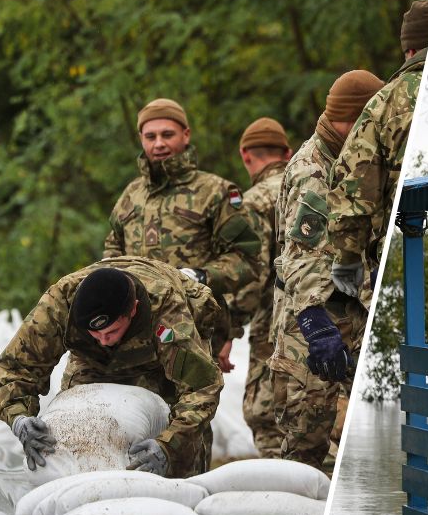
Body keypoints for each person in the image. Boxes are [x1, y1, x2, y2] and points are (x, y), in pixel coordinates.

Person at [292, 0, 428, 389]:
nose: (355, 129)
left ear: (408, 48)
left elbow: (354, 202)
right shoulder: (311, 170)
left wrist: (349, 259)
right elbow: (299, 256)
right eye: (347, 121)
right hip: (339, 313)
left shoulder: (388, 103)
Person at [0, 256, 227, 478]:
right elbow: (14, 369)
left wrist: (169, 446)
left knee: (179, 455)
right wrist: (19, 418)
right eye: (96, 333)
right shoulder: (59, 305)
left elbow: (202, 387)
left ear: (132, 309)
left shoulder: (166, 308)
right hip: (91, 360)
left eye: (111, 331)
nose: (104, 339)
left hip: (158, 360)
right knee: (81, 427)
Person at [271, 70, 384, 468]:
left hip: (352, 304)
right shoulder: (314, 171)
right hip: (311, 316)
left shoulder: (360, 158)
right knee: (306, 431)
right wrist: (316, 323)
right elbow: (302, 254)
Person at [103, 98, 263, 363]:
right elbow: (111, 255)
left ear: (185, 135)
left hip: (195, 332)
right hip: (133, 338)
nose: (159, 144)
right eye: (150, 136)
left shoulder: (216, 191)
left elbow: (246, 260)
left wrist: (199, 276)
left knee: (189, 405)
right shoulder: (131, 195)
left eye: (167, 134)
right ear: (141, 138)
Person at [231, 117, 293, 457]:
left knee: (269, 419)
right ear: (288, 152)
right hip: (338, 327)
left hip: (276, 333)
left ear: (245, 155)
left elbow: (249, 278)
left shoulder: (253, 203)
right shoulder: (325, 189)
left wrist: (226, 332)